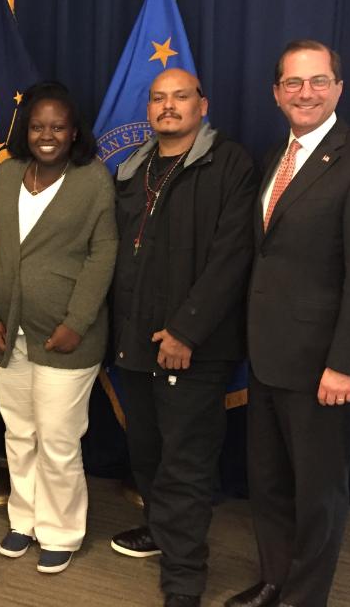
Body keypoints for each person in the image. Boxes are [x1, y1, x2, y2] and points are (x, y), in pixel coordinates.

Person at [225, 40, 350, 607]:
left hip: (323, 367)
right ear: (276, 94)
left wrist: (346, 364)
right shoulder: (274, 157)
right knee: (270, 483)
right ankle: (274, 580)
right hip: (267, 357)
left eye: (318, 81)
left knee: (317, 493)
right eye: (294, 83)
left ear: (339, 88)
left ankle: (304, 598)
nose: (306, 93)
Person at [107, 68, 256, 606]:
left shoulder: (230, 164)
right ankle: (161, 532)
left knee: (185, 466)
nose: (168, 106)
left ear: (202, 104)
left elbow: (232, 258)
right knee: (147, 455)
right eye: (158, 98)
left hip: (192, 350)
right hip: (134, 345)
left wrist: (185, 331)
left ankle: (185, 579)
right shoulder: (134, 167)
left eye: (180, 97)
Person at [0, 81, 117, 575]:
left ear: (74, 131)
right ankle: (25, 519)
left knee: (58, 439)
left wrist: (77, 322)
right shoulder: (5, 175)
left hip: (67, 337)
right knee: (19, 433)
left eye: (58, 127)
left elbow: (103, 255)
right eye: (38, 126)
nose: (47, 135)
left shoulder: (93, 179)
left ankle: (60, 531)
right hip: (8, 333)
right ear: (26, 130)